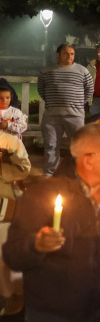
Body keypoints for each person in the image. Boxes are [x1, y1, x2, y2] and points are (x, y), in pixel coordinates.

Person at [4, 123, 100, 321]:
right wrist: (36, 244)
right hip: (51, 309)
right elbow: (13, 256)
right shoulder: (41, 195)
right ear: (88, 160)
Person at [38, 44, 93, 176]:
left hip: (75, 116)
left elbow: (89, 90)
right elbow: (41, 89)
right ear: (58, 54)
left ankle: (78, 173)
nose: (69, 56)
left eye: (72, 54)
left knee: (78, 146)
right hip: (52, 116)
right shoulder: (47, 70)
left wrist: (77, 104)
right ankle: (50, 174)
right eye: (66, 53)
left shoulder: (82, 71)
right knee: (51, 145)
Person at [0, 131, 30, 316]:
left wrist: (2, 169)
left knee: (4, 251)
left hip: (4, 198)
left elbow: (24, 168)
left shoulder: (9, 141)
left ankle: (15, 295)